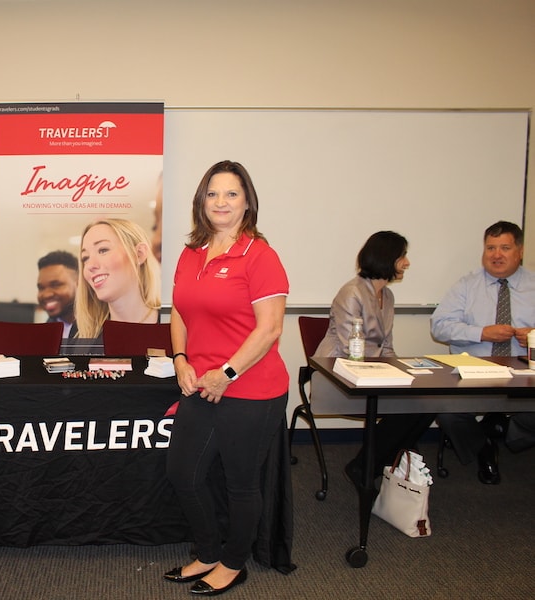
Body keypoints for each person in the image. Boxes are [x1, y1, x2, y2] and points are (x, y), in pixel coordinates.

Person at [164, 160, 289, 596]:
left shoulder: (260, 256)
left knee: (239, 483)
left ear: (247, 202)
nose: (221, 202)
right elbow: (179, 310)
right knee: (183, 473)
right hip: (199, 384)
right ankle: (208, 551)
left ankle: (234, 562)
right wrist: (180, 357)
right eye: (213, 194)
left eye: (231, 194)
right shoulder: (191, 253)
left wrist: (228, 373)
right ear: (202, 201)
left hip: (251, 389)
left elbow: (270, 328)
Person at [314, 231, 434, 486]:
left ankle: (374, 464)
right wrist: (389, 375)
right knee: (409, 408)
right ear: (386, 257)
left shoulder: (387, 296)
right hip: (338, 376)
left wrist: (405, 373)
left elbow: (386, 346)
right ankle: (365, 466)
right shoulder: (352, 293)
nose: (407, 263)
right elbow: (350, 350)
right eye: (402, 256)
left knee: (425, 403)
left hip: (373, 375)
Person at [431, 220, 535, 485]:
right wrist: (481, 333)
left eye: (504, 248)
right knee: (447, 413)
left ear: (519, 251)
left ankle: (506, 432)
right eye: (490, 248)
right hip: (472, 370)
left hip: (526, 372)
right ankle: (483, 447)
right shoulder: (467, 286)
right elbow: (439, 327)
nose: (496, 255)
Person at [74, 218, 161, 339]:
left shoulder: (174, 327)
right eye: (85, 258)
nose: (90, 265)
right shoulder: (81, 338)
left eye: (103, 250)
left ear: (139, 254)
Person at [36, 250, 78, 338]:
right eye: (41, 288)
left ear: (79, 284)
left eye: (55, 285)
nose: (46, 294)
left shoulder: (99, 330)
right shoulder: (45, 334)